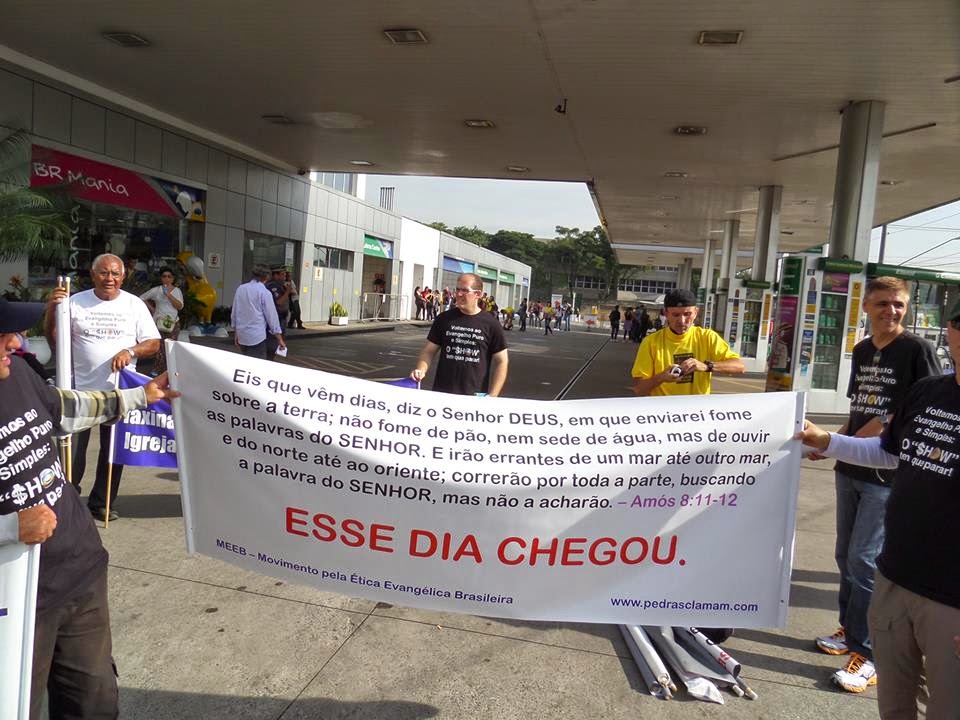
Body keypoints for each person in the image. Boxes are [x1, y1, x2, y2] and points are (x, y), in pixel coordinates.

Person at [2, 295, 178, 719]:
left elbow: (64, 409)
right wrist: (10, 528)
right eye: (3, 334)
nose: (15, 340)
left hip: (80, 573)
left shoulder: (18, 374)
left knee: (94, 703)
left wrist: (142, 397)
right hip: (17, 598)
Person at [797, 295, 960, 718]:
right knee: (894, 704)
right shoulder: (929, 392)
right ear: (950, 332)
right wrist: (829, 441)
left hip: (951, 602)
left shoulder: (915, 357)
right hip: (895, 579)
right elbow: (888, 452)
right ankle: (857, 640)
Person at [45, 253, 161, 522]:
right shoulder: (75, 302)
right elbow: (55, 340)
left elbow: (153, 342)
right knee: (72, 452)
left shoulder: (134, 305)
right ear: (93, 274)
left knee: (112, 453)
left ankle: (102, 503)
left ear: (123, 276)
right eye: (104, 273)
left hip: (117, 392)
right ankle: (69, 502)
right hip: (78, 392)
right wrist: (53, 309)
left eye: (115, 274)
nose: (110, 278)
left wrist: (130, 351)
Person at [631, 288, 744, 396]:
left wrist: (706, 366)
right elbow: (639, 389)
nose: (681, 321)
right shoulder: (651, 342)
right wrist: (661, 377)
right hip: (664, 413)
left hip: (695, 413)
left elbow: (739, 366)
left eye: (687, 314)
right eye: (676, 315)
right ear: (665, 313)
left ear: (696, 312)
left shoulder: (707, 337)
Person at [410, 272, 508, 396]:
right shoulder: (444, 319)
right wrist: (421, 369)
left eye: (465, 290)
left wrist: (493, 396)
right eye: (457, 290)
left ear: (478, 294)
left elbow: (502, 361)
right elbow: (429, 351)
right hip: (443, 393)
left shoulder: (491, 324)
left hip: (474, 397)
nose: (459, 294)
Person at [231, 264, 286, 361]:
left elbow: (235, 312)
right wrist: (279, 338)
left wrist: (236, 332)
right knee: (257, 366)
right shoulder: (264, 292)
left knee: (247, 363)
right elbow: (271, 317)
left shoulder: (241, 289)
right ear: (267, 276)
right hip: (257, 336)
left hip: (242, 335)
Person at [139, 266, 183, 374]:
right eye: (164, 276)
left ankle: (169, 370)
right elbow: (142, 297)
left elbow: (180, 306)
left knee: (170, 346)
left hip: (173, 323)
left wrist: (169, 295)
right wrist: (153, 309)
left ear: (173, 279)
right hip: (159, 322)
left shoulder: (177, 291)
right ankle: (158, 370)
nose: (167, 279)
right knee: (159, 347)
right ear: (161, 278)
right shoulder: (156, 290)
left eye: (169, 277)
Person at [265, 267, 290, 357]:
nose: (284, 277)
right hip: (276, 320)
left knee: (277, 346)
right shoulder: (272, 286)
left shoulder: (281, 286)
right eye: (282, 275)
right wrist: (287, 291)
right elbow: (279, 302)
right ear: (276, 275)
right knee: (272, 345)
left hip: (282, 320)